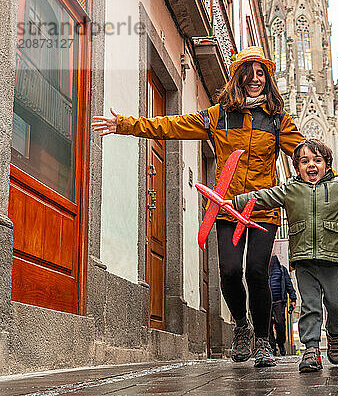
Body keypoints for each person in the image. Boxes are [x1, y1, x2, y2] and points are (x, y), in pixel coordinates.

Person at [91, 46, 305, 368]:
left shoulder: (278, 121)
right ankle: (242, 327)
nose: (255, 79)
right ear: (239, 77)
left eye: (261, 73)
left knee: (257, 272)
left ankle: (263, 340)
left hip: (263, 208)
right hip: (227, 207)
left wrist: (327, 177)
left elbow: (303, 153)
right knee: (231, 273)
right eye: (249, 72)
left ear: (267, 79)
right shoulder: (218, 115)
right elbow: (172, 125)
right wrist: (123, 124)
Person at [229, 139, 338, 372]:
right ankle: (310, 349)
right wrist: (235, 202)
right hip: (304, 259)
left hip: (334, 258)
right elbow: (265, 197)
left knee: (337, 304)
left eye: (317, 160)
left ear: (327, 164)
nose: (311, 165)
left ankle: (334, 335)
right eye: (304, 161)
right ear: (297, 167)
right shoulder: (291, 189)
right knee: (310, 306)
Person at [268, 255, 297, 356]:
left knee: (280, 323)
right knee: (268, 325)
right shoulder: (263, 269)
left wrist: (293, 299)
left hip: (279, 301)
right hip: (266, 301)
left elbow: (289, 284)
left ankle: (280, 343)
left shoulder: (282, 270)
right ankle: (272, 346)